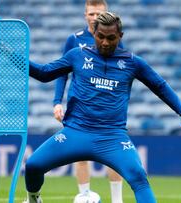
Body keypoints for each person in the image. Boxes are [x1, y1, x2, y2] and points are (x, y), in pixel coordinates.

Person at [23, 12, 181, 203]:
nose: (105, 43)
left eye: (111, 38)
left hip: (112, 137)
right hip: (76, 132)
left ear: (120, 36)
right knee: (33, 165)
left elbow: (160, 86)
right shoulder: (77, 55)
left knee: (138, 177)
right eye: (101, 37)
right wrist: (12, 55)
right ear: (94, 34)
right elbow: (43, 73)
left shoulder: (133, 62)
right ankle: (34, 199)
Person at [52, 1, 124, 202]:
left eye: (99, 13)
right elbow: (61, 73)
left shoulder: (113, 39)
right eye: (91, 14)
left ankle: (117, 200)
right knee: (80, 154)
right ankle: (84, 197)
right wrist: (58, 101)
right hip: (80, 108)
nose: (95, 17)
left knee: (112, 154)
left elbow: (124, 69)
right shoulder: (73, 40)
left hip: (106, 108)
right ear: (85, 15)